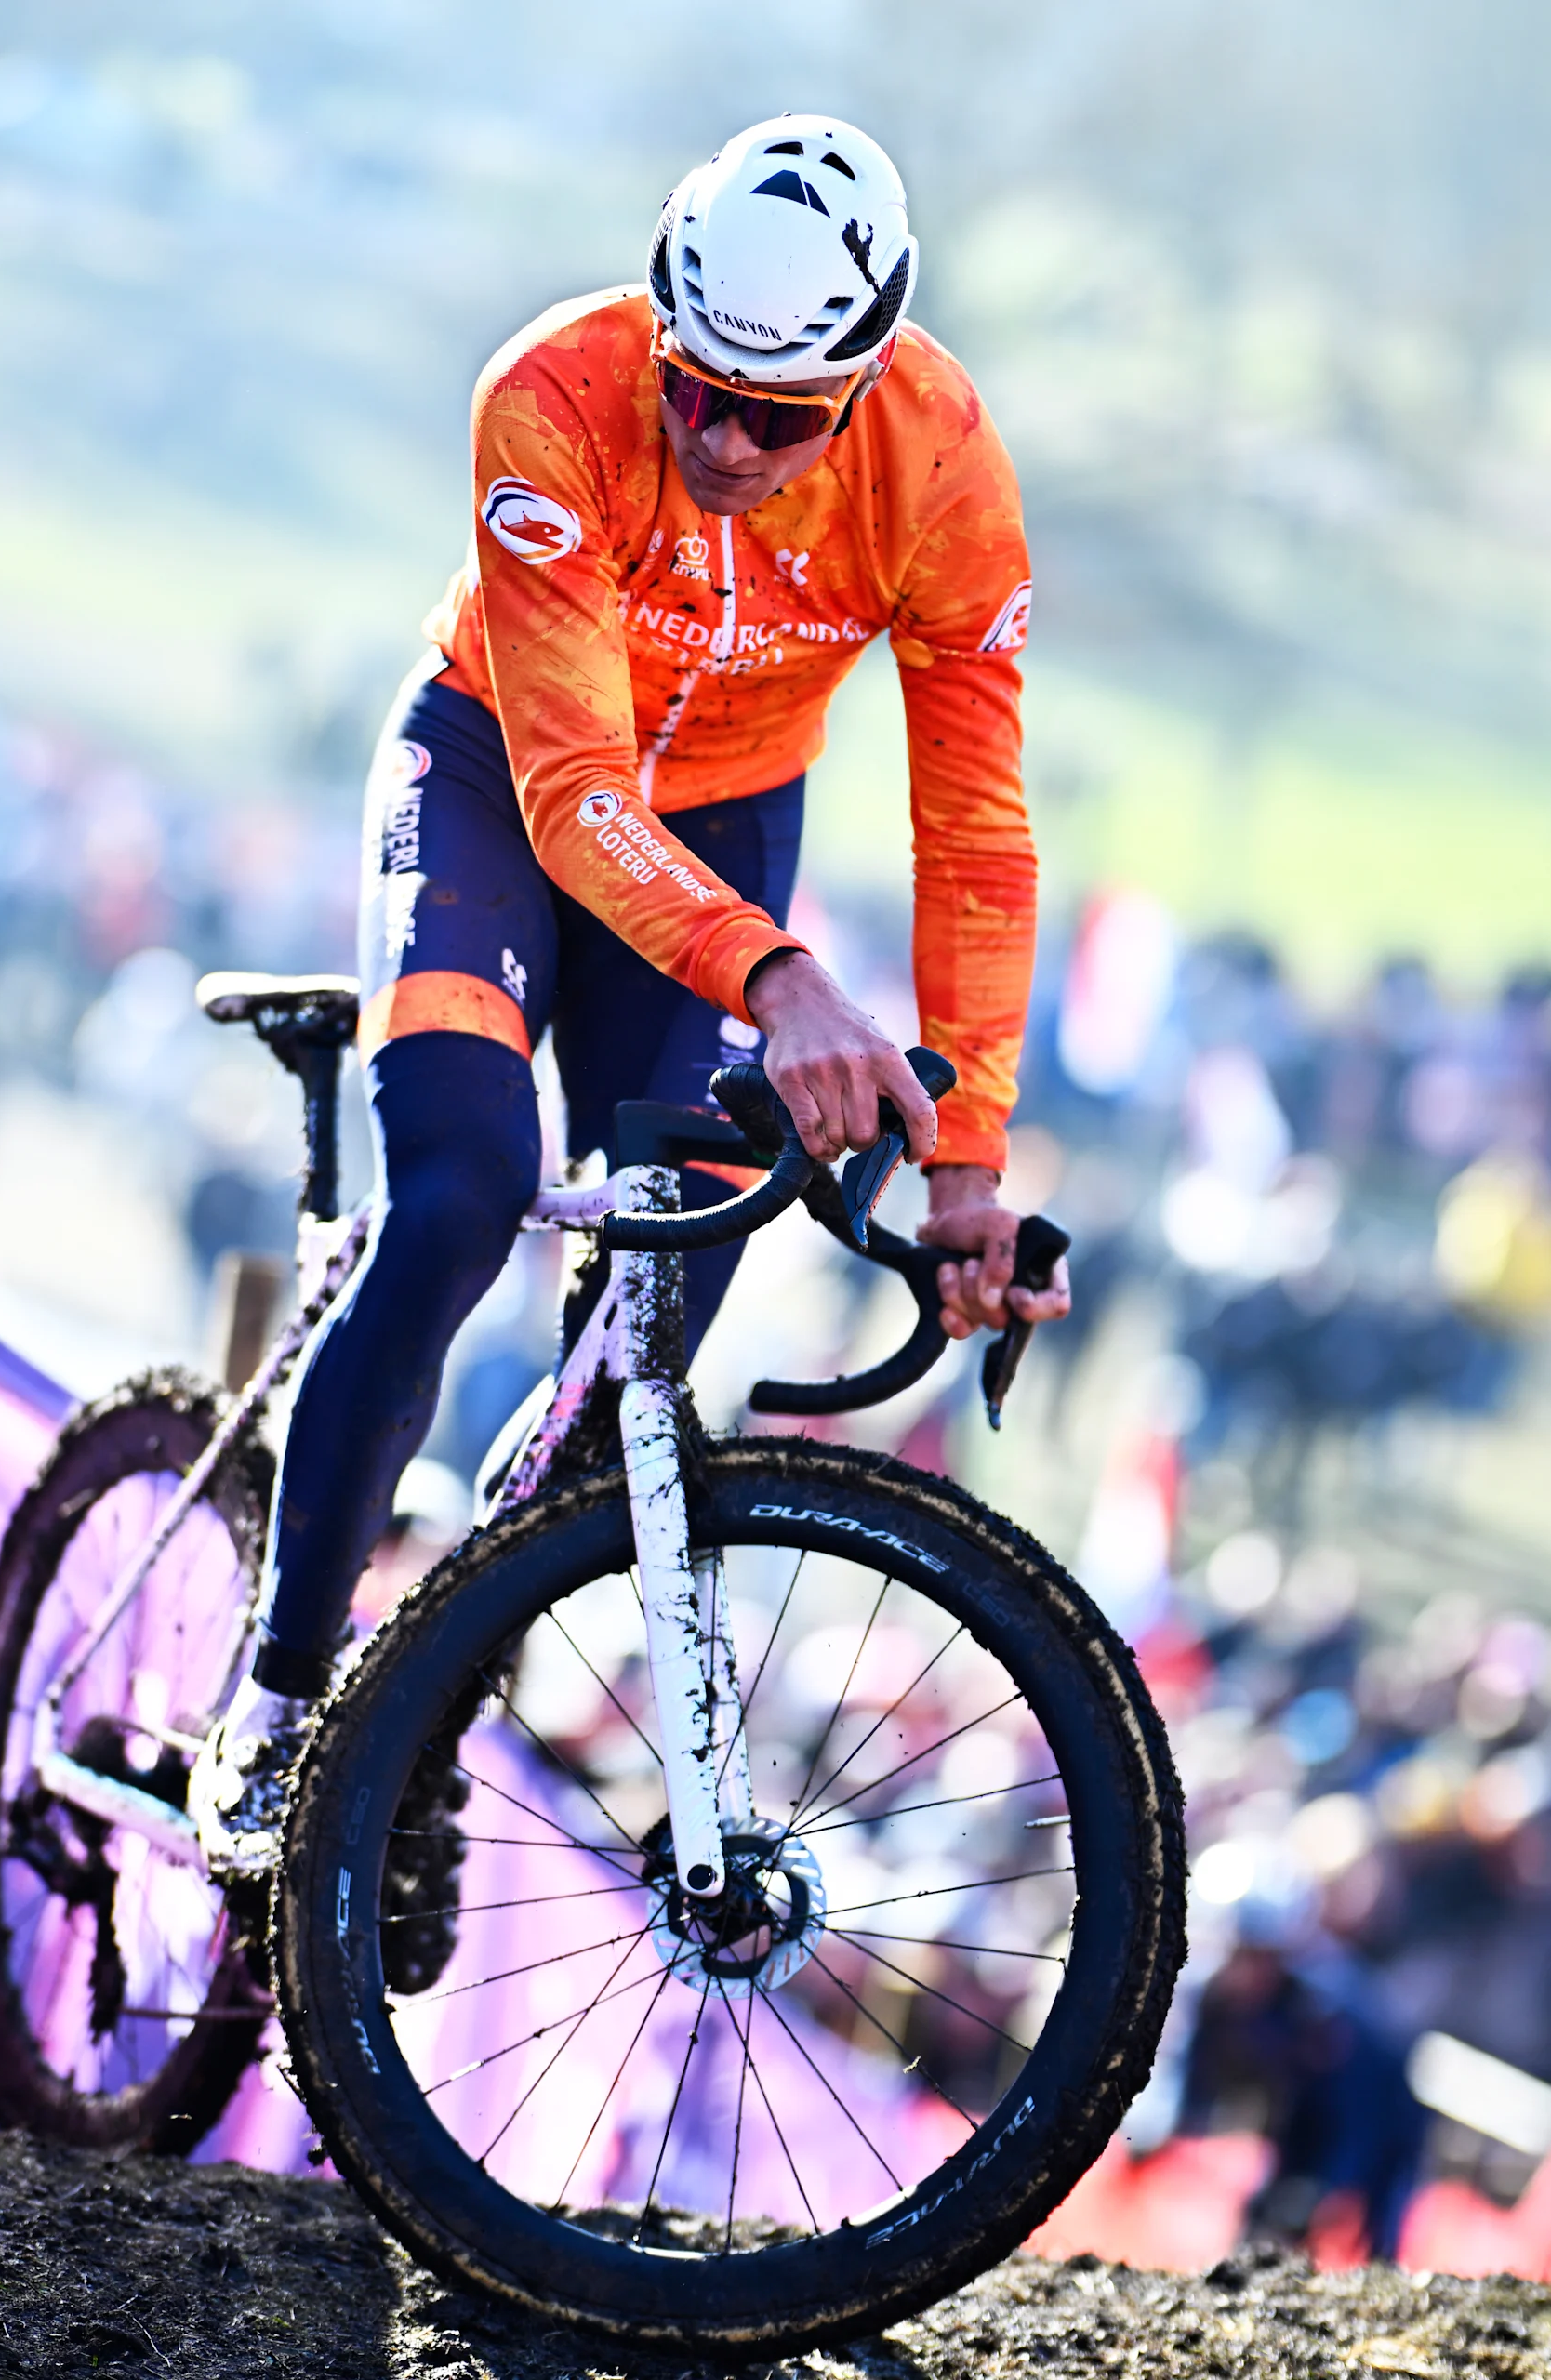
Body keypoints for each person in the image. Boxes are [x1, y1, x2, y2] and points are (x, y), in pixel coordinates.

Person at [248, 115, 1064, 1701]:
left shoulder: (943, 470)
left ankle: (417, 1717)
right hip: (497, 775)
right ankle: (277, 1701)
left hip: (729, 816)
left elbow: (976, 828)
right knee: (463, 1197)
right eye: (696, 385)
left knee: (658, 1312)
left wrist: (970, 1168)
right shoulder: (551, 394)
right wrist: (780, 978)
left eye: (778, 415)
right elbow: (574, 793)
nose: (726, 440)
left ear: (864, 380)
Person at [1179, 1841, 1430, 2260]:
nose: (1234, 1971)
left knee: (1369, 2240)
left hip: (1376, 2116)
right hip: (1297, 2114)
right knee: (1261, 2225)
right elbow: (1194, 2082)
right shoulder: (1216, 1994)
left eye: (1249, 1954)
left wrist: (1329, 2187)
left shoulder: (1327, 2012)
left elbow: (1358, 2115)